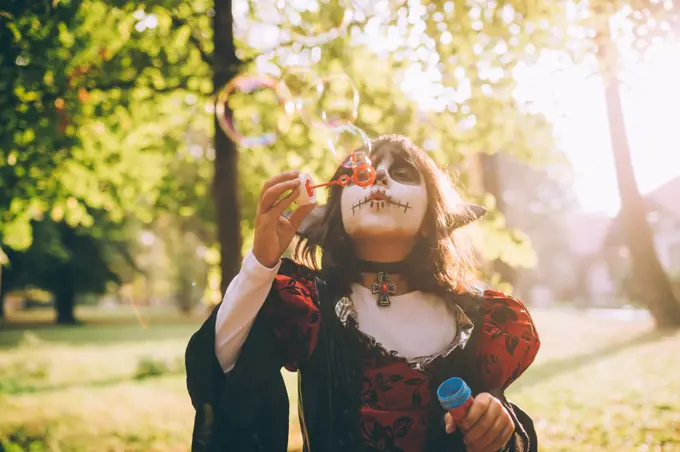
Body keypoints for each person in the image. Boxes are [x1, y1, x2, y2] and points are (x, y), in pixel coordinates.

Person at [185, 135, 540, 452]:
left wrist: (500, 428)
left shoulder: (477, 318)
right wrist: (261, 264)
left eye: (402, 172)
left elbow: (500, 428)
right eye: (359, 173)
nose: (379, 176)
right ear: (335, 212)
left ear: (434, 213)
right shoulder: (307, 303)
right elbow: (223, 363)